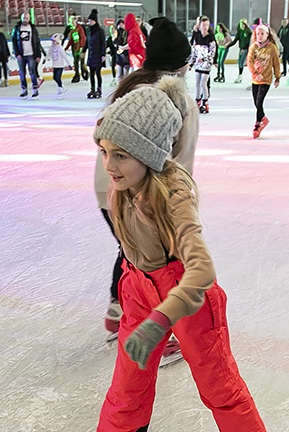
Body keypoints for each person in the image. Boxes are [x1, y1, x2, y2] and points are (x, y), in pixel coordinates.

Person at [86, 79, 271, 432]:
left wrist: (161, 318)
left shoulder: (173, 194)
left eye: (120, 155)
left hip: (185, 294)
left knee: (215, 375)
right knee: (128, 378)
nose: (108, 165)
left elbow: (201, 268)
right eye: (104, 152)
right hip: (137, 288)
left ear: (149, 154)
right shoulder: (124, 187)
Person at [97, 17, 196, 368]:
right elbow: (180, 161)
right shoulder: (179, 100)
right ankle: (162, 333)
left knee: (132, 252)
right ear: (182, 64)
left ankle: (116, 309)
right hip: (147, 192)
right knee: (161, 264)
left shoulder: (130, 87)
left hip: (109, 187)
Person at [246, 24, 281, 138]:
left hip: (266, 79)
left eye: (262, 34)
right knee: (256, 103)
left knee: (259, 102)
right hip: (255, 79)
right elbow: (249, 62)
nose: (260, 36)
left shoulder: (272, 48)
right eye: (258, 34)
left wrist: (277, 77)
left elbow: (276, 63)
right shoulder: (253, 47)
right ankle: (263, 118)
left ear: (267, 35)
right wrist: (255, 73)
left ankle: (257, 124)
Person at [11, 11, 43, 98]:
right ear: (21, 18)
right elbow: (14, 42)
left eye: (27, 18)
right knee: (22, 73)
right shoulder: (17, 28)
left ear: (29, 19)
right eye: (24, 18)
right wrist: (17, 53)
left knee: (32, 72)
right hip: (21, 55)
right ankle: (24, 90)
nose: (25, 20)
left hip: (31, 54)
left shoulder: (33, 28)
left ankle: (35, 90)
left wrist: (38, 55)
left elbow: (37, 42)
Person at [189, 16, 216, 113]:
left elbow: (212, 52)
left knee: (203, 83)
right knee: (197, 83)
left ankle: (205, 102)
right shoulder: (197, 37)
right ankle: (198, 101)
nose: (205, 27)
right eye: (203, 25)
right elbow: (194, 51)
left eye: (207, 25)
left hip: (206, 64)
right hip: (198, 64)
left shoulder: (211, 38)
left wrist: (205, 59)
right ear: (199, 26)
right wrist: (191, 64)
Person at [85, 9, 106, 99]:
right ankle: (92, 89)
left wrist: (103, 55)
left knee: (98, 73)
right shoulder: (89, 31)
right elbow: (87, 42)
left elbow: (103, 43)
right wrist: (83, 51)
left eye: (91, 21)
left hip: (98, 56)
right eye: (89, 21)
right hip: (91, 55)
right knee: (92, 73)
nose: (89, 22)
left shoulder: (100, 31)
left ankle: (99, 89)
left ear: (95, 21)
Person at [227, 19, 251, 84]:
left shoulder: (248, 32)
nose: (242, 26)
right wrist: (227, 46)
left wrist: (244, 48)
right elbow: (235, 41)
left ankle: (240, 76)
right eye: (241, 24)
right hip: (241, 49)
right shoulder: (240, 32)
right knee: (240, 62)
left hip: (246, 49)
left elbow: (249, 42)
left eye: (243, 24)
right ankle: (240, 75)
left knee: (241, 62)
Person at [65, 15, 87, 82]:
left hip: (80, 48)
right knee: (75, 63)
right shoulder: (72, 31)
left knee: (82, 63)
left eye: (73, 21)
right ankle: (77, 75)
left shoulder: (79, 28)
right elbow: (71, 41)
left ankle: (85, 73)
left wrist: (81, 47)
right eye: (71, 21)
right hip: (75, 48)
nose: (72, 22)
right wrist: (66, 48)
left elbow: (82, 37)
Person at [49, 32, 72, 97]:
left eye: (54, 41)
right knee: (54, 77)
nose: (53, 42)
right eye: (52, 41)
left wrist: (69, 64)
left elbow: (65, 56)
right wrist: (46, 59)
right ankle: (62, 87)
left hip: (60, 66)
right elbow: (49, 54)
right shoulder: (52, 48)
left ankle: (60, 88)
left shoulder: (60, 48)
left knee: (58, 77)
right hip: (55, 65)